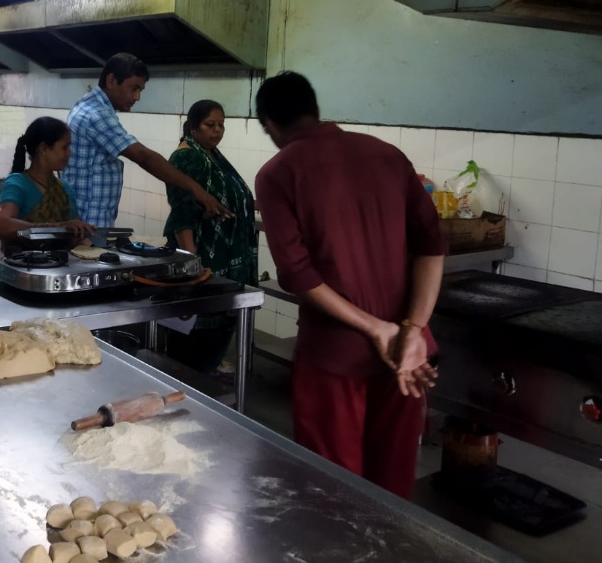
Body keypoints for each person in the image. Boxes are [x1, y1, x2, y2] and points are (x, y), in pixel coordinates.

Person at [253, 71, 443, 499]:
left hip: (335, 357)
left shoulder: (277, 173)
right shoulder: (387, 155)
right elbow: (433, 246)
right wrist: (411, 328)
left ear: (270, 123)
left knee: (331, 487)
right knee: (392, 484)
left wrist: (378, 330)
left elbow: (300, 276)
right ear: (316, 111)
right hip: (407, 359)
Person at [61, 52, 229, 227]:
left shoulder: (88, 105)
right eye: (133, 88)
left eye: (140, 90)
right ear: (111, 81)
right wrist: (196, 189)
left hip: (88, 222)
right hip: (87, 225)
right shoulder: (95, 114)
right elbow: (143, 156)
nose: (137, 97)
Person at [161, 100, 258, 373]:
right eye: (210, 125)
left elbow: (228, 195)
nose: (217, 131)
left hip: (222, 262)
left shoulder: (211, 154)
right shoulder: (186, 156)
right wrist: (193, 265)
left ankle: (203, 378)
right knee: (193, 345)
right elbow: (182, 214)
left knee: (211, 342)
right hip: (202, 261)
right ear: (193, 127)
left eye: (221, 125)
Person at [0, 116, 94, 245]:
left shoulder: (64, 188)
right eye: (64, 147)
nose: (69, 153)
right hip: (24, 262)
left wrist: (98, 252)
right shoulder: (17, 184)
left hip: (62, 263)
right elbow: (3, 226)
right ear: (43, 149)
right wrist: (57, 227)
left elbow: (75, 233)